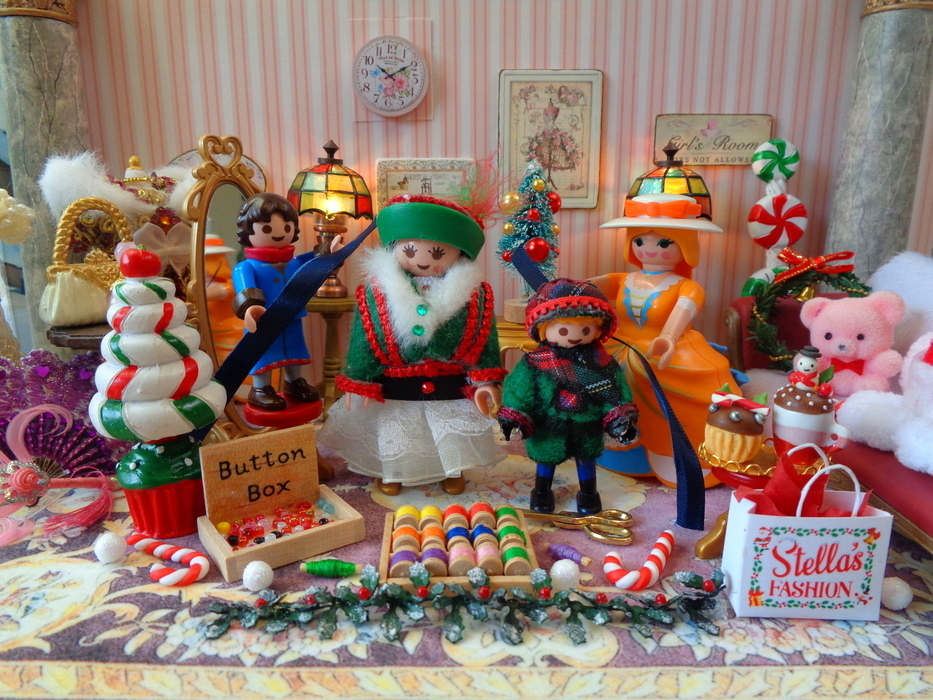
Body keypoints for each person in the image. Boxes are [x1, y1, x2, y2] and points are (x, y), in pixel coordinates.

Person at [318, 194, 504, 496]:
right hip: (395, 386)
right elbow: (364, 341)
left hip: (449, 384)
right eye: (409, 250)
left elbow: (485, 341)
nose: (422, 259)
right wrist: (359, 380)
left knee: (447, 433)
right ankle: (392, 471)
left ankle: (451, 470)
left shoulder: (475, 295)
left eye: (438, 253)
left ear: (459, 253)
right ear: (396, 248)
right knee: (396, 431)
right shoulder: (376, 293)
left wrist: (485, 381)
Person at [592, 193, 737, 488]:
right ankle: (615, 452)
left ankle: (672, 454)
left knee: (663, 388)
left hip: (664, 349)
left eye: (664, 243)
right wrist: (570, 289)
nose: (649, 249)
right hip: (618, 345)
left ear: (685, 246)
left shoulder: (687, 287)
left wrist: (668, 338)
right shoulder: (622, 279)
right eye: (639, 241)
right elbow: (590, 287)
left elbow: (682, 314)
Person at [497, 278, 638, 514]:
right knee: (546, 458)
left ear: (598, 330)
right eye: (563, 330)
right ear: (543, 329)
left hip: (587, 423)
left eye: (585, 330)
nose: (575, 336)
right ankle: (542, 491)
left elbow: (616, 392)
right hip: (549, 423)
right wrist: (515, 412)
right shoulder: (535, 363)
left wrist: (619, 417)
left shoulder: (603, 363)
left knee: (587, 458)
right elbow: (518, 388)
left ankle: (589, 494)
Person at [232, 193, 325, 411]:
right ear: (248, 231)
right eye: (266, 228)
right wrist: (250, 308)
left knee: (294, 349)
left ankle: (294, 382)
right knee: (264, 353)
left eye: (287, 227)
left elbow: (314, 261)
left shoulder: (294, 261)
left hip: (292, 317)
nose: (278, 233)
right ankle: (260, 388)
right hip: (264, 320)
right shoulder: (247, 267)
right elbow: (245, 290)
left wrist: (328, 253)